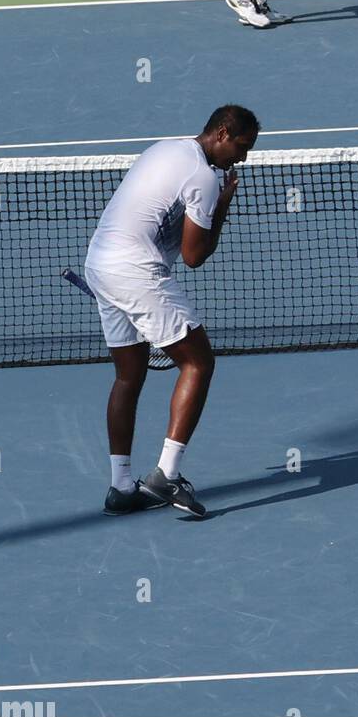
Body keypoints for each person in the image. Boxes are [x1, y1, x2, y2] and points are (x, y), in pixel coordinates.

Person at [84, 104, 259, 518]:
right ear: (221, 133)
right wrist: (221, 208)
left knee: (129, 375)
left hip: (100, 263)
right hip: (135, 271)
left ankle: (121, 486)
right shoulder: (203, 178)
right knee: (198, 362)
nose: (243, 157)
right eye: (241, 145)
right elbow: (194, 255)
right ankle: (167, 474)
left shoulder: (164, 148)